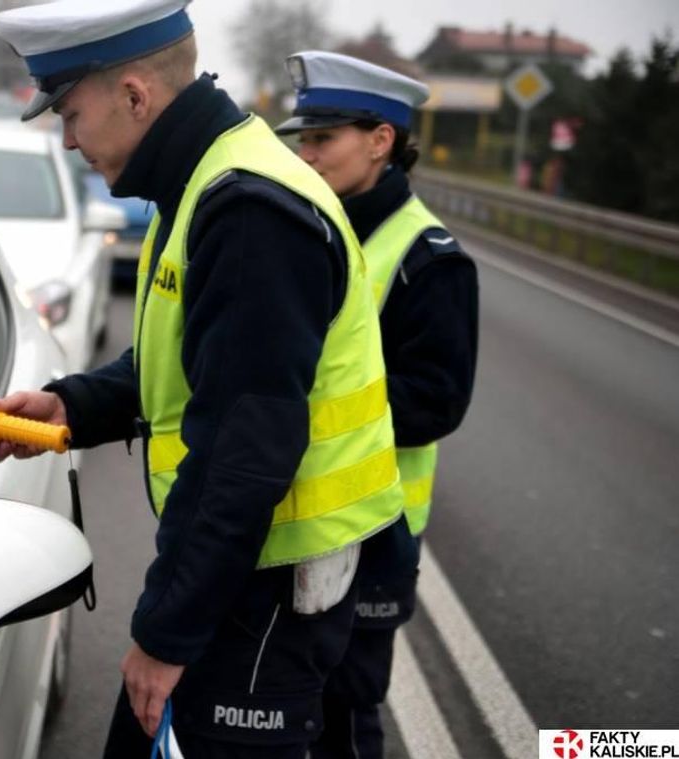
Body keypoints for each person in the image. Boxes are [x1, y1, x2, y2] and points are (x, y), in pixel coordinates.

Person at [0, 3, 413, 755]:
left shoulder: (246, 209)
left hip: (266, 589)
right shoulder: (206, 178)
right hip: (244, 576)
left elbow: (240, 457)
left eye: (71, 113)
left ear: (135, 96)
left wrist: (165, 634)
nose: (69, 138)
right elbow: (187, 366)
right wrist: (69, 405)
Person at [275, 52, 479, 758]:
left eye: (321, 139)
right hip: (296, 517)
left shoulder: (430, 258)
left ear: (381, 140)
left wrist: (295, 399)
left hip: (376, 527)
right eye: (302, 139)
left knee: (344, 715)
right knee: (287, 707)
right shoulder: (310, 224)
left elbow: (436, 403)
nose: (306, 153)